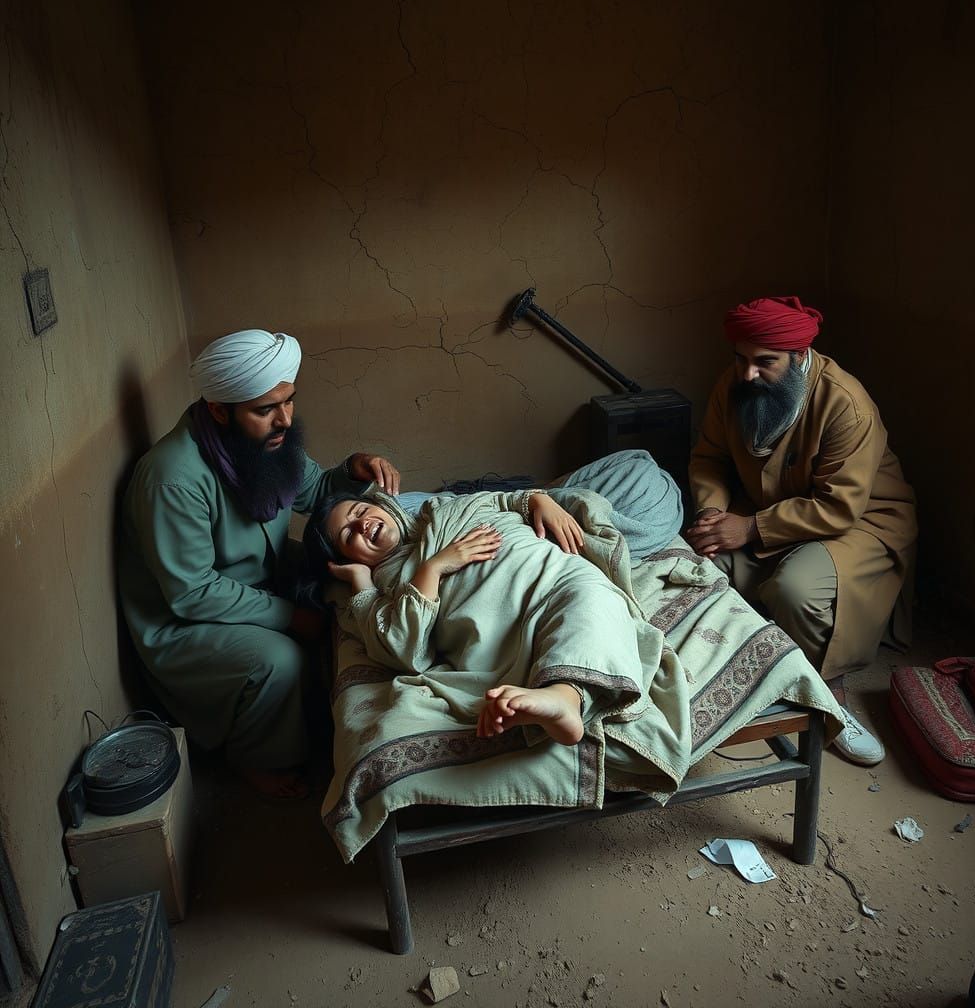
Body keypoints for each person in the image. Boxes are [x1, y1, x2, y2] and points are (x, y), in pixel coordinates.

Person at [119, 329, 400, 799]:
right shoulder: (172, 479)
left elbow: (313, 490)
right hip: (184, 621)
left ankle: (313, 713)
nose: (284, 420)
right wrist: (290, 616)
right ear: (219, 410)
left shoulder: (262, 443)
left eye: (288, 402)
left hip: (251, 580)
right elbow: (191, 592)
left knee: (335, 580)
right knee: (280, 660)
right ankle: (255, 758)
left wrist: (355, 466)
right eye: (265, 409)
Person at [684, 296, 917, 766]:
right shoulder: (734, 383)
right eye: (741, 359)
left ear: (800, 357)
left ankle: (828, 696)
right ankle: (737, 679)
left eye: (765, 362)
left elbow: (838, 506)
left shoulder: (845, 403)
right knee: (700, 566)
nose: (747, 374)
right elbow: (710, 458)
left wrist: (750, 528)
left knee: (795, 588)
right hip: (766, 512)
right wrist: (713, 517)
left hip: (854, 523)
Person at [303, 486, 661, 746]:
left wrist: (539, 500)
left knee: (594, 596)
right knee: (573, 622)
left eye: (360, 512)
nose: (362, 524)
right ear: (348, 558)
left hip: (556, 578)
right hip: (501, 625)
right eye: (348, 534)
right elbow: (402, 649)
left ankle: (564, 698)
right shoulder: (386, 585)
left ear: (378, 503)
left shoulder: (440, 510)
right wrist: (433, 567)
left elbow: (500, 500)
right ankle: (560, 696)